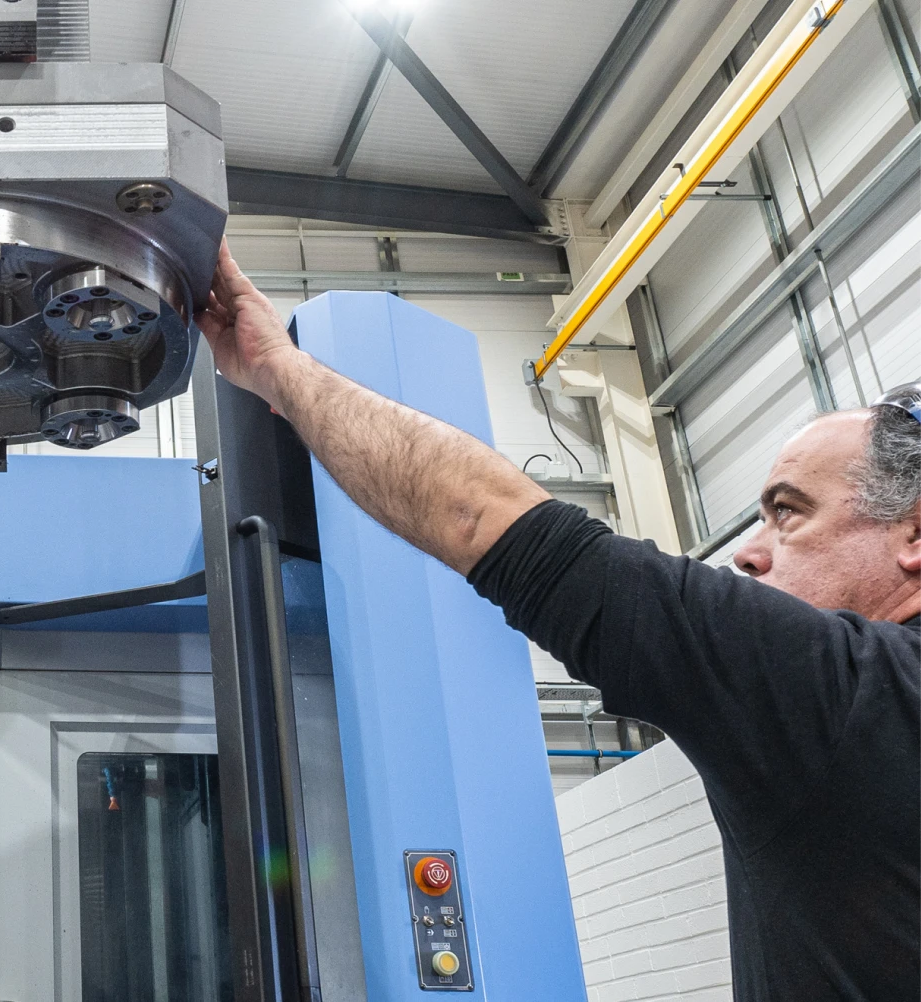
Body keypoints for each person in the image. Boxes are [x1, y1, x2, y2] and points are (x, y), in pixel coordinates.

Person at [195, 239, 919, 1001]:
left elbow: (486, 519)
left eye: (788, 512)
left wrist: (276, 366)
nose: (748, 553)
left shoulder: (850, 694)